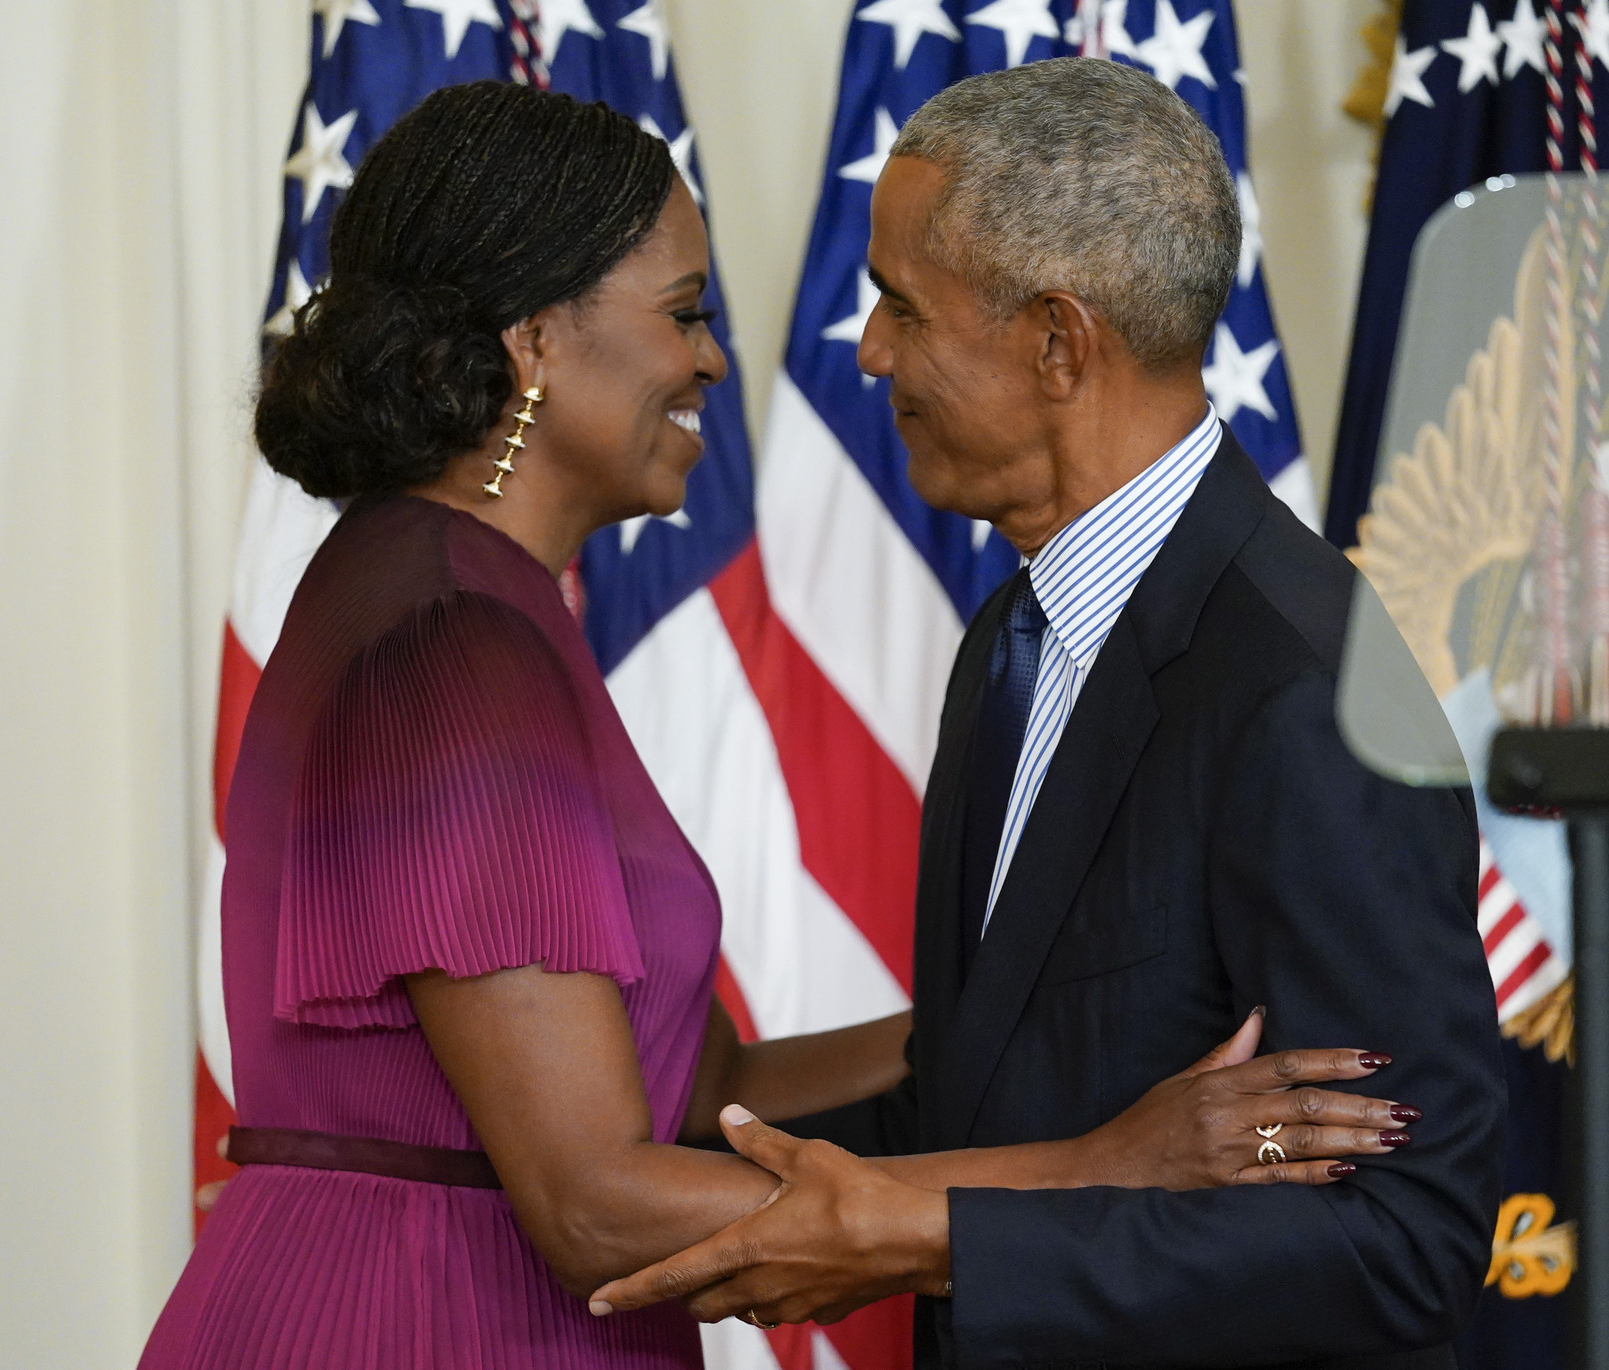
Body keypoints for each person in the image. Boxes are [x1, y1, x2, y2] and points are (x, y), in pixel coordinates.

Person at [138, 81, 1416, 1370]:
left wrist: (1049, 1046)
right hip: (427, 1322)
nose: (712, 360)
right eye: (685, 314)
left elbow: (691, 1085)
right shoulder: (451, 639)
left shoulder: (463, 597)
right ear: (533, 343)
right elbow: (592, 1200)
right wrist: (1095, 1168)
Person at [588, 59, 1507, 1370]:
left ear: (1060, 342)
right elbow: (991, 1092)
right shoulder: (1011, 641)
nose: (870, 352)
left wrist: (936, 1232)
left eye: (901, 305)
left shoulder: (1304, 691)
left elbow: (1405, 1242)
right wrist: (593, 1168)